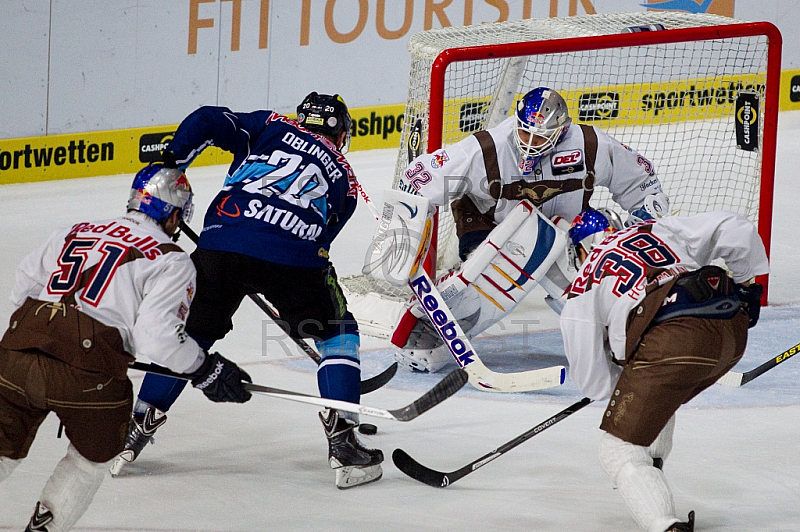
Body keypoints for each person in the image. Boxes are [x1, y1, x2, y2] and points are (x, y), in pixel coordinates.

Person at [113, 93, 383, 489]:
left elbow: (207, 119)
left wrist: (173, 161)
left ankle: (134, 427)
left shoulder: (270, 124)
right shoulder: (346, 177)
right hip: (291, 256)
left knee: (192, 334)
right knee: (336, 332)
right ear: (341, 133)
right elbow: (321, 244)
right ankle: (343, 442)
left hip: (222, 243)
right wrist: (291, 300)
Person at [0, 164, 252, 532]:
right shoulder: (171, 258)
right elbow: (157, 337)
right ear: (174, 214)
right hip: (87, 379)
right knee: (92, 457)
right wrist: (204, 367)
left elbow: (20, 287)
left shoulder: (74, 230)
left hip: (17, 353)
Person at [391, 86, 670, 373]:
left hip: (563, 232)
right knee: (483, 292)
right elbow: (417, 180)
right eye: (525, 133)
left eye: (541, 136)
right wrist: (403, 235)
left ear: (562, 130)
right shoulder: (488, 147)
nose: (531, 142)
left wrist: (641, 229)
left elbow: (643, 184)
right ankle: (428, 330)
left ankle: (625, 331)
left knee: (599, 247)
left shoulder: (589, 144)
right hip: (493, 230)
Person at [559, 208, 767, 531]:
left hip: (673, 340)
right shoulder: (657, 229)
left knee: (617, 449)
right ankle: (651, 467)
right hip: (732, 328)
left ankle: (665, 524)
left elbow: (593, 382)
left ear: (579, 251)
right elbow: (736, 229)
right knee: (662, 389)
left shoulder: (584, 283)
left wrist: (622, 378)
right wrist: (747, 289)